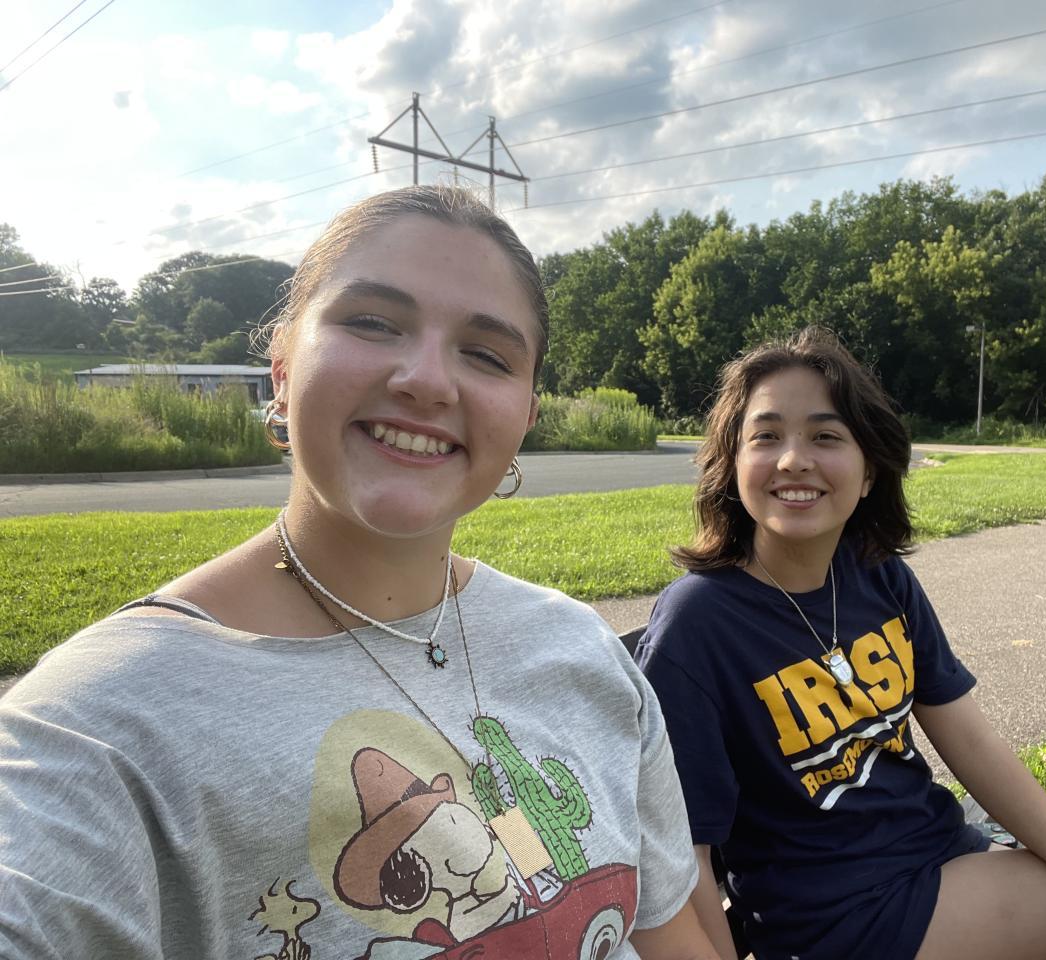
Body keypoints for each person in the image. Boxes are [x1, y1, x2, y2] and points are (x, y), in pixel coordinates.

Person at [0, 186, 718, 960]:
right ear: (281, 369)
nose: (428, 380)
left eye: (487, 355)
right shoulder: (95, 732)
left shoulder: (582, 649)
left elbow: (669, 936)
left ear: (525, 418)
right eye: (372, 323)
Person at [635, 327, 1046, 960]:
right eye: (766, 436)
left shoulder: (878, 577)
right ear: (732, 465)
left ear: (868, 472)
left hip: (940, 855)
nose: (793, 459)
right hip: (842, 919)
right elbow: (682, 851)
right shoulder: (699, 624)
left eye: (826, 436)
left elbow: (972, 744)